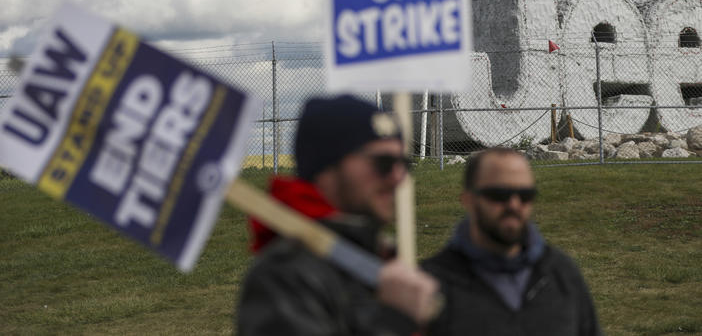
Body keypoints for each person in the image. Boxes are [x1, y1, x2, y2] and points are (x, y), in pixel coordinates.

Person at [237, 95, 439, 336]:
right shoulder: (284, 276)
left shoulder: (375, 255)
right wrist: (396, 321)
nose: (398, 178)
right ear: (327, 166)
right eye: (383, 163)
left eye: (403, 164)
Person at [423, 147, 602, 336]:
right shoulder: (431, 288)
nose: (514, 205)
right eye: (499, 195)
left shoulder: (561, 274)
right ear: (468, 200)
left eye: (525, 196)